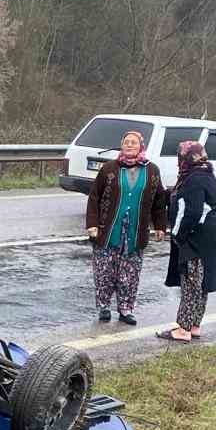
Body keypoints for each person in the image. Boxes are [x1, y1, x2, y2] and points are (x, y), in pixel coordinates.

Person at [85, 129, 167, 325]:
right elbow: (94, 196)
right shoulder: (109, 169)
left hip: (135, 232)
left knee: (129, 274)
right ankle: (104, 307)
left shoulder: (152, 170)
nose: (129, 145)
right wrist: (92, 224)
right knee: (104, 271)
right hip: (107, 230)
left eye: (134, 142)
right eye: (126, 142)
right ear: (121, 145)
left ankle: (126, 309)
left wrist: (160, 226)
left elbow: (159, 201)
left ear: (141, 146)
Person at [158, 139, 216, 343]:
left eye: (179, 157)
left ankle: (183, 329)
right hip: (212, 234)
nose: (178, 161)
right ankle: (194, 325)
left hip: (198, 236)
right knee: (202, 282)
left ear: (185, 158)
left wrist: (179, 235)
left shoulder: (194, 178)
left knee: (190, 281)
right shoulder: (206, 172)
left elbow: (192, 212)